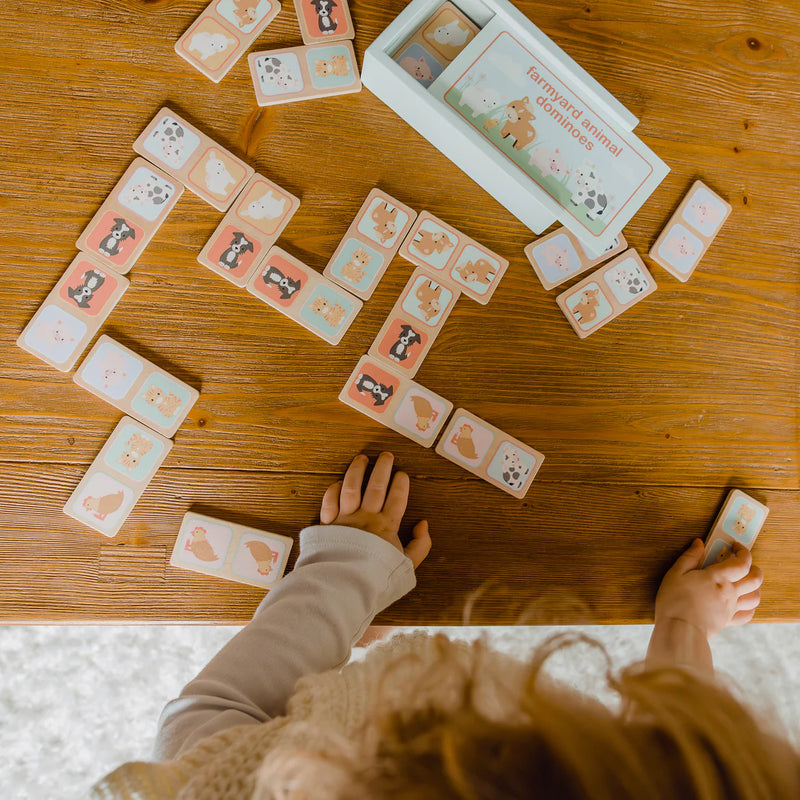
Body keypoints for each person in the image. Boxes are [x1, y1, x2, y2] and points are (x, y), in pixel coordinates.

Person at [93, 452, 800, 800]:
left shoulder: (240, 783)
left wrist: (346, 567)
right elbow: (681, 742)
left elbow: (216, 710)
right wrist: (684, 626)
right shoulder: (664, 770)